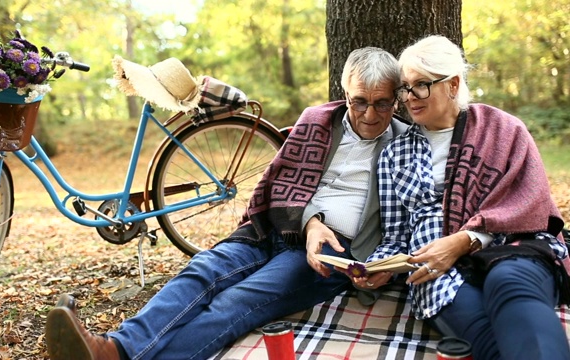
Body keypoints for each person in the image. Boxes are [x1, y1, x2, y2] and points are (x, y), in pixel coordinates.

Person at [44, 47, 409, 360]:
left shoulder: (406, 147)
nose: (370, 115)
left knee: (236, 303)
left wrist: (375, 264)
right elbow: (279, 183)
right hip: (272, 228)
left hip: (327, 254)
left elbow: (409, 218)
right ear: (345, 93)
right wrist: (311, 222)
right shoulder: (317, 120)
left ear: (397, 98)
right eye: (359, 101)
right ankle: (115, 350)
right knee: (203, 270)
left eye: (382, 103)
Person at [354, 35, 570, 360]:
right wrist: (378, 267)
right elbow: (397, 236)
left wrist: (463, 240)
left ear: (453, 84)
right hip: (435, 272)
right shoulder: (394, 155)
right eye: (405, 87)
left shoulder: (504, 130)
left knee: (508, 282)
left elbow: (529, 204)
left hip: (513, 248)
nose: (410, 97)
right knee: (488, 339)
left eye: (421, 85)